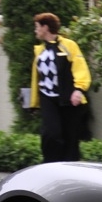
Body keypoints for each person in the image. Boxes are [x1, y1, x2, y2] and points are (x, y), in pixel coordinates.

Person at [30, 13, 92, 163]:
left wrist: (79, 89)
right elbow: (37, 78)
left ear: (45, 27)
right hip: (47, 98)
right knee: (51, 134)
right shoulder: (40, 50)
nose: (35, 30)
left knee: (70, 137)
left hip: (68, 98)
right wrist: (34, 102)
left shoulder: (69, 45)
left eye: (37, 27)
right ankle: (49, 166)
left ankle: (70, 170)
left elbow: (80, 68)